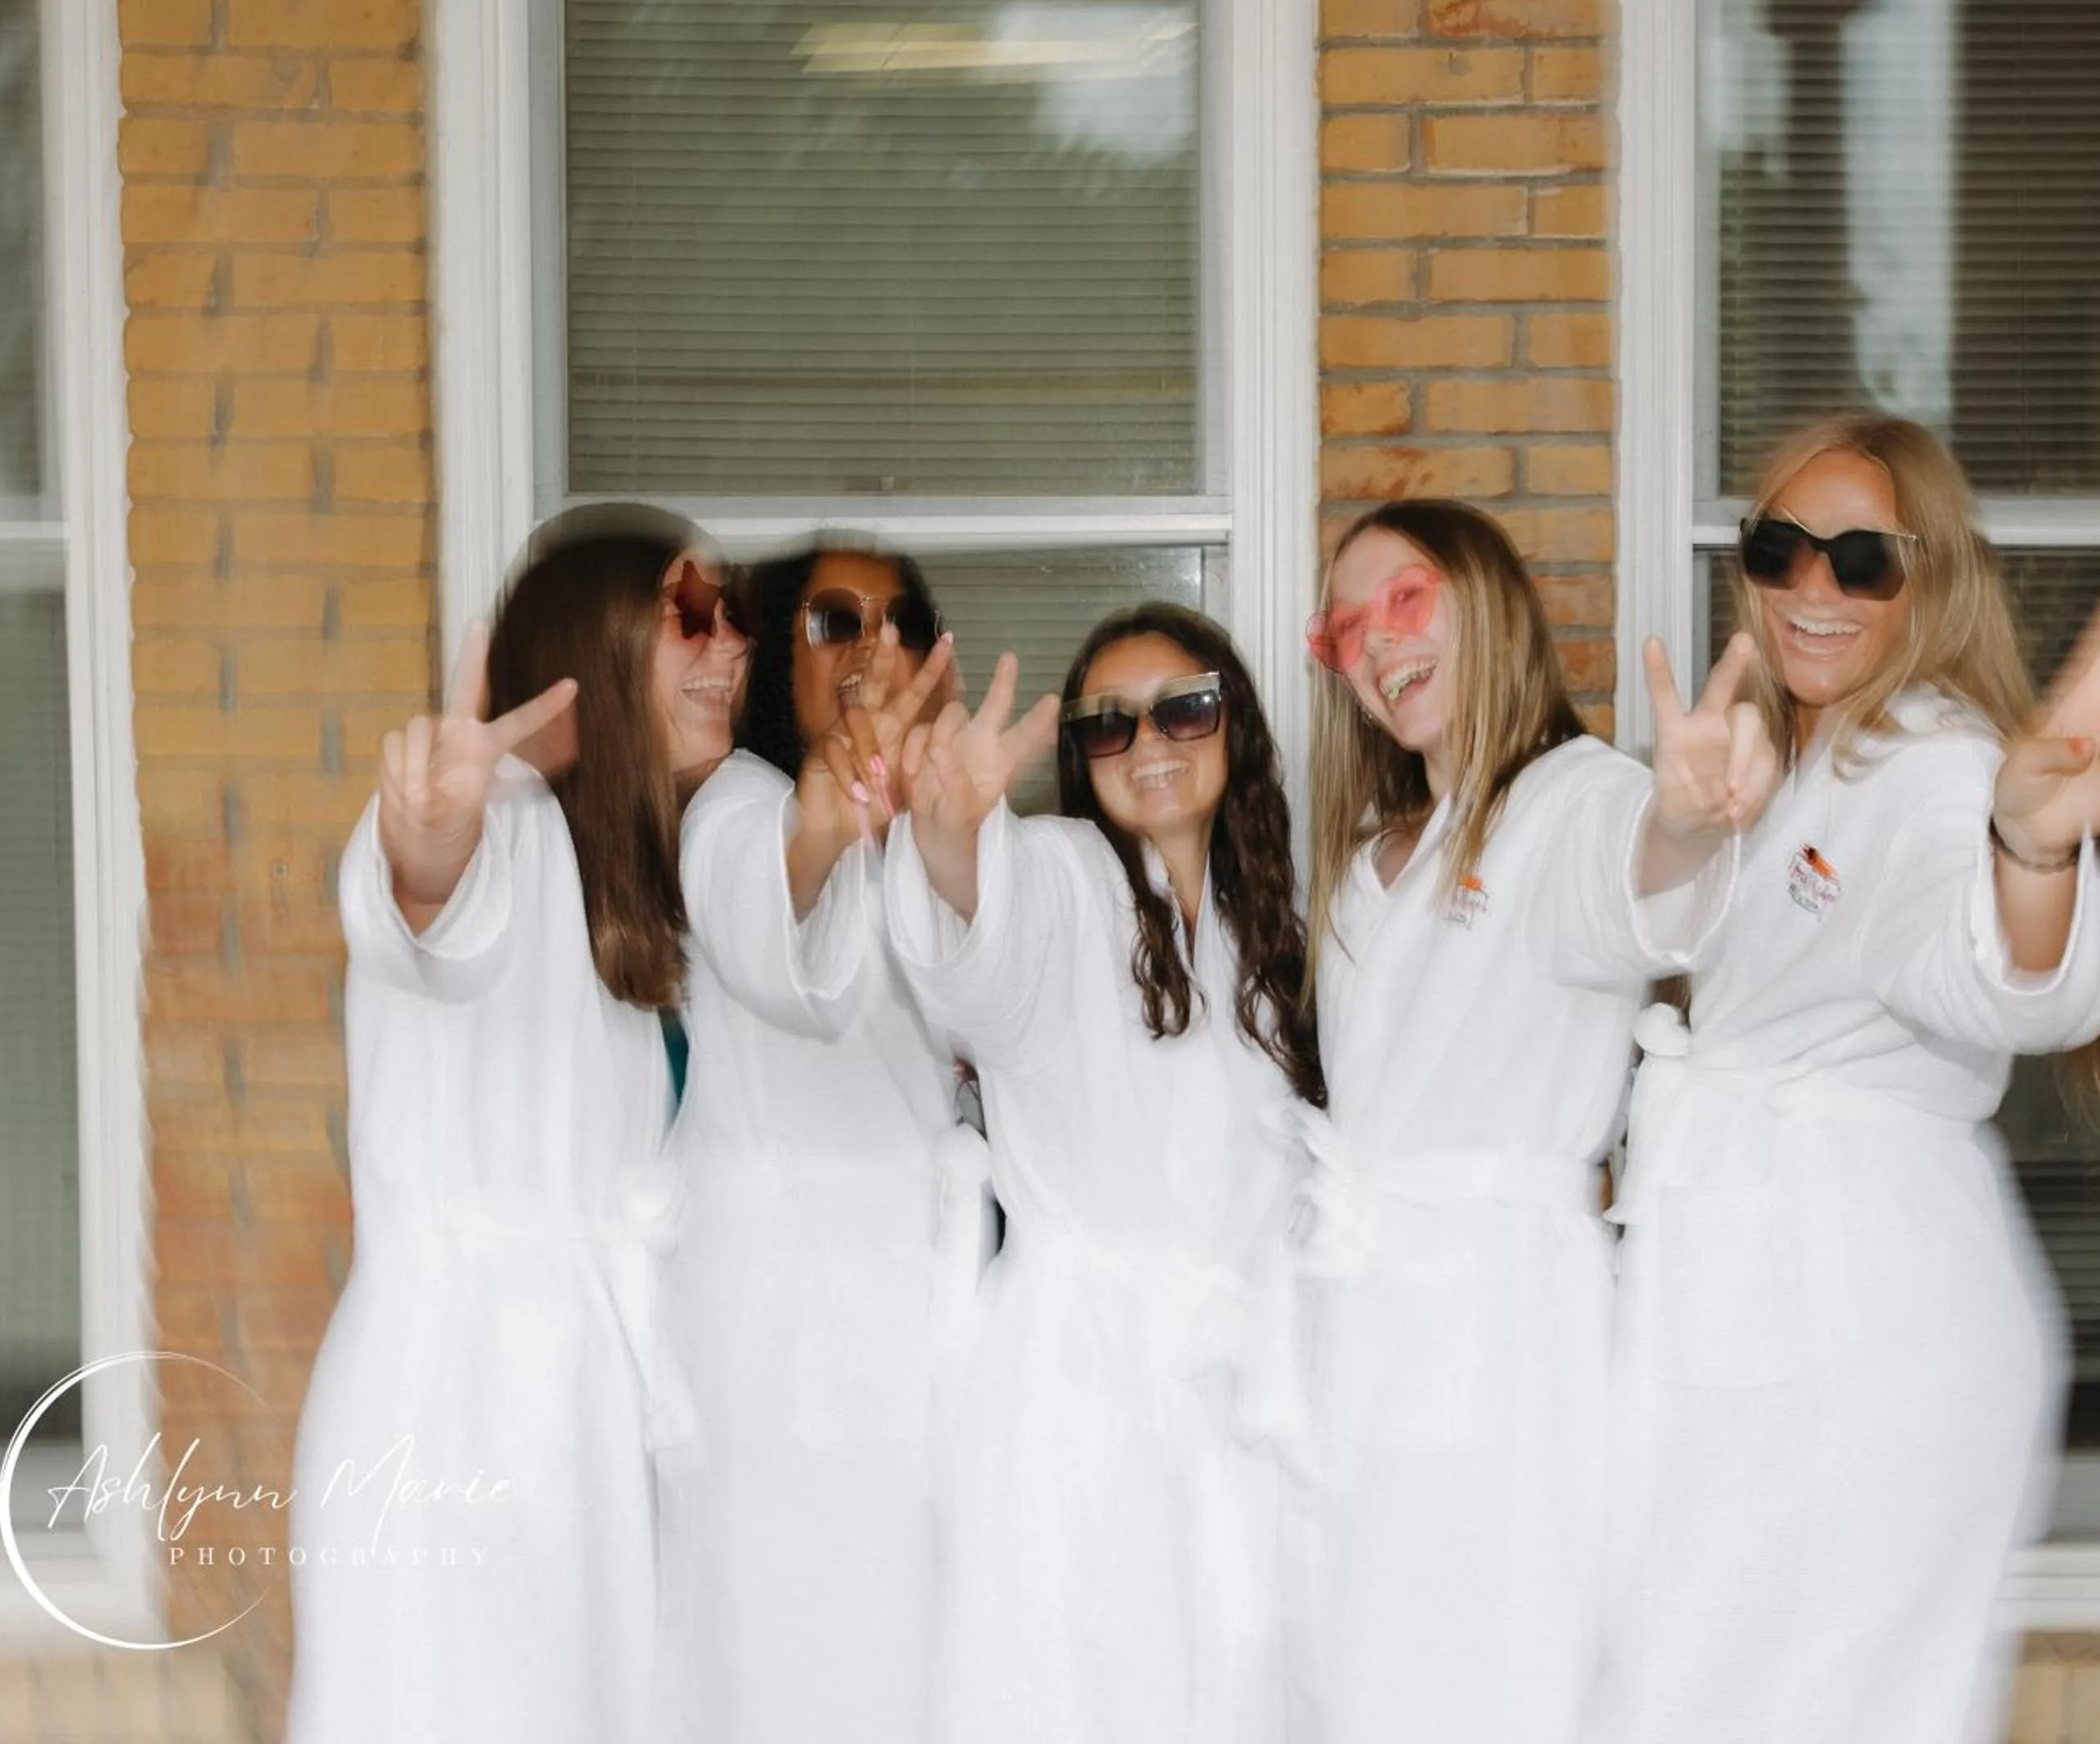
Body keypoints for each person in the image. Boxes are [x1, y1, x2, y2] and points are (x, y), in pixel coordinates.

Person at [1598, 410, 2100, 1744]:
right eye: (1778, 548)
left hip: (1855, 1323)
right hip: (1768, 1302)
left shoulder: (1937, 765)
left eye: (1862, 560)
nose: (1811, 590)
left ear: (1934, 576)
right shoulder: (1796, 760)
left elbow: (2001, 985)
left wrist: (2028, 849)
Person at [1288, 500, 1770, 1744]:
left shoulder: (1574, 797)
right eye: (1346, 627)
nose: (1378, 644)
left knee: (1501, 1671)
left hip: (1502, 1334)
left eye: (1407, 597)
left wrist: (1687, 820)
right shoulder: (1365, 851)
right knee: (1362, 1673)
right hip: (1361, 1317)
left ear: (1487, 598)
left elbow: (1642, 886)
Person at [288, 505, 745, 1744]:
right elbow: (428, 916)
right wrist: (427, 837)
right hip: (462, 1414)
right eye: (688, 617)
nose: (730, 645)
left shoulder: (643, 878)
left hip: (587, 1404)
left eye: (734, 612)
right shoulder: (509, 837)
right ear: (588, 648)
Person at [884, 603, 1322, 1744]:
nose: (1152, 742)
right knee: (1070, 1683)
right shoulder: (1065, 876)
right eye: (1109, 726)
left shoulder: (1267, 920)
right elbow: (976, 956)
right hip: (1073, 1393)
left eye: (1185, 707)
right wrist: (950, 838)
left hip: (1236, 1395)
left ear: (1236, 725)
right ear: (1077, 760)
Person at [652, 539, 976, 1744]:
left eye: (897, 620)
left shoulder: (945, 819)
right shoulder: (737, 805)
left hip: (923, 1296)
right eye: (831, 621)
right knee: (786, 1642)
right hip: (779, 1313)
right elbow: (766, 925)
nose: (869, 648)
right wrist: (823, 828)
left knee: (917, 1635)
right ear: (776, 655)